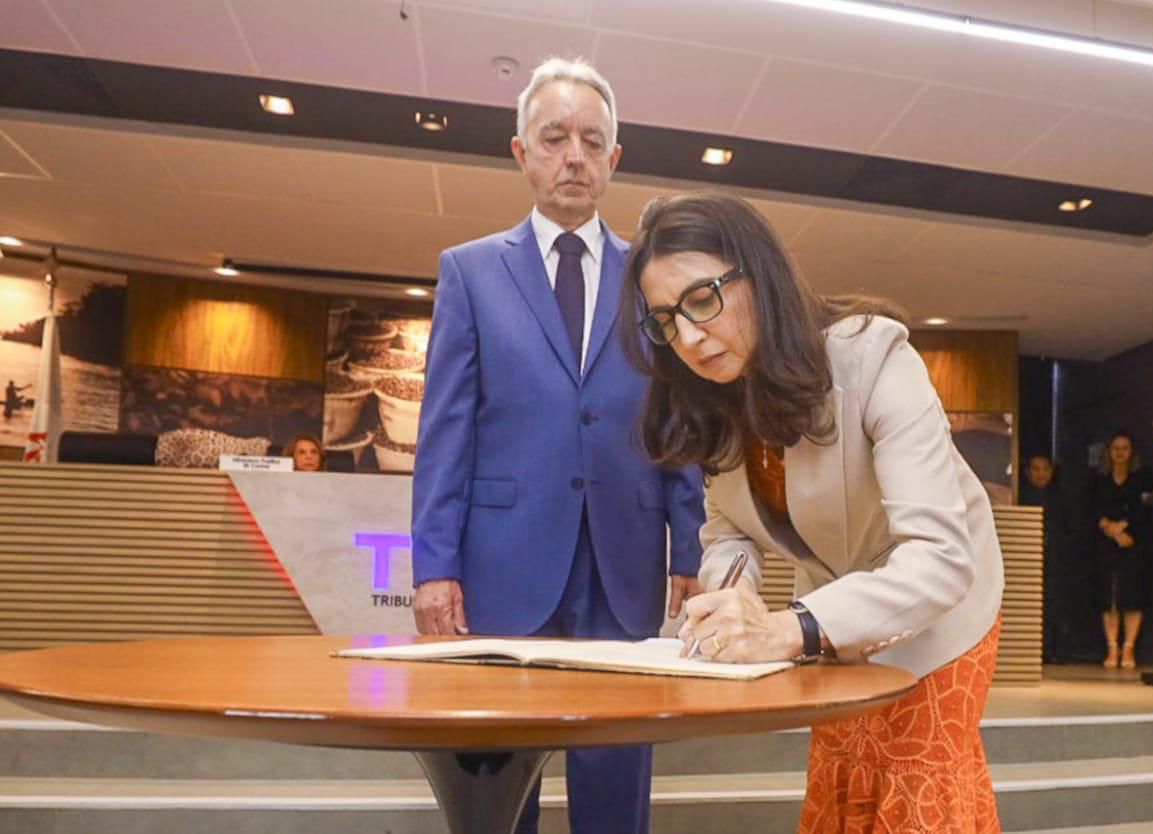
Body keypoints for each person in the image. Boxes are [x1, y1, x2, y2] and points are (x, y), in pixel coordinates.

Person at [619, 193, 1005, 834]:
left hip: (940, 608)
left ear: (759, 274)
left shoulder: (875, 358)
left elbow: (940, 559)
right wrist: (735, 596)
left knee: (912, 785)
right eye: (665, 320)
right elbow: (729, 532)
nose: (686, 337)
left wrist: (791, 627)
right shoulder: (719, 399)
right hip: (831, 614)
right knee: (843, 770)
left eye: (701, 300)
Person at [410, 58, 705, 834]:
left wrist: (690, 546)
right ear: (521, 152)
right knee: (502, 771)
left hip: (623, 559)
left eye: (592, 141)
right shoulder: (471, 273)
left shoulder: (653, 277)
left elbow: (676, 417)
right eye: (555, 138)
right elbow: (446, 431)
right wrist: (435, 567)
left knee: (617, 768)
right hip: (502, 560)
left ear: (614, 159)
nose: (574, 156)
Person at [1088, 431, 1153, 670]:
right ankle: (1112, 647)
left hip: (1133, 541)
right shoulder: (1098, 478)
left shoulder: (1143, 477)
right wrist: (1110, 528)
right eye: (1115, 448)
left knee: (1132, 596)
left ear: (1132, 451)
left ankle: (1128, 647)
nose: (1119, 453)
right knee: (1109, 597)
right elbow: (1090, 507)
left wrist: (1124, 526)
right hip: (1105, 541)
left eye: (1124, 448)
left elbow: (1146, 508)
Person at [1021, 454, 1069, 663]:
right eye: (1036, 469)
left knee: (1055, 603)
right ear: (1027, 472)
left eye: (1045, 469)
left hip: (1055, 559)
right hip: (1026, 558)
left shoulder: (1062, 498)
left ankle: (1054, 649)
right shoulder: (1020, 497)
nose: (1041, 474)